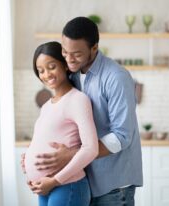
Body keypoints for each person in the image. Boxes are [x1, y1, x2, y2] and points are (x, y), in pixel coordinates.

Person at [28, 17, 143, 206]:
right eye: (65, 52)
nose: (69, 59)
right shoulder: (73, 74)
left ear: (94, 48)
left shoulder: (116, 77)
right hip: (86, 178)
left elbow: (122, 136)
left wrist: (72, 154)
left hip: (113, 184)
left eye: (77, 54)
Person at [24, 41, 99, 206]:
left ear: (65, 65)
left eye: (51, 67)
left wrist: (55, 180)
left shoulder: (78, 100)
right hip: (45, 187)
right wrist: (29, 160)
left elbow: (91, 149)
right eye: (41, 70)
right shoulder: (46, 106)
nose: (46, 74)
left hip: (67, 186)